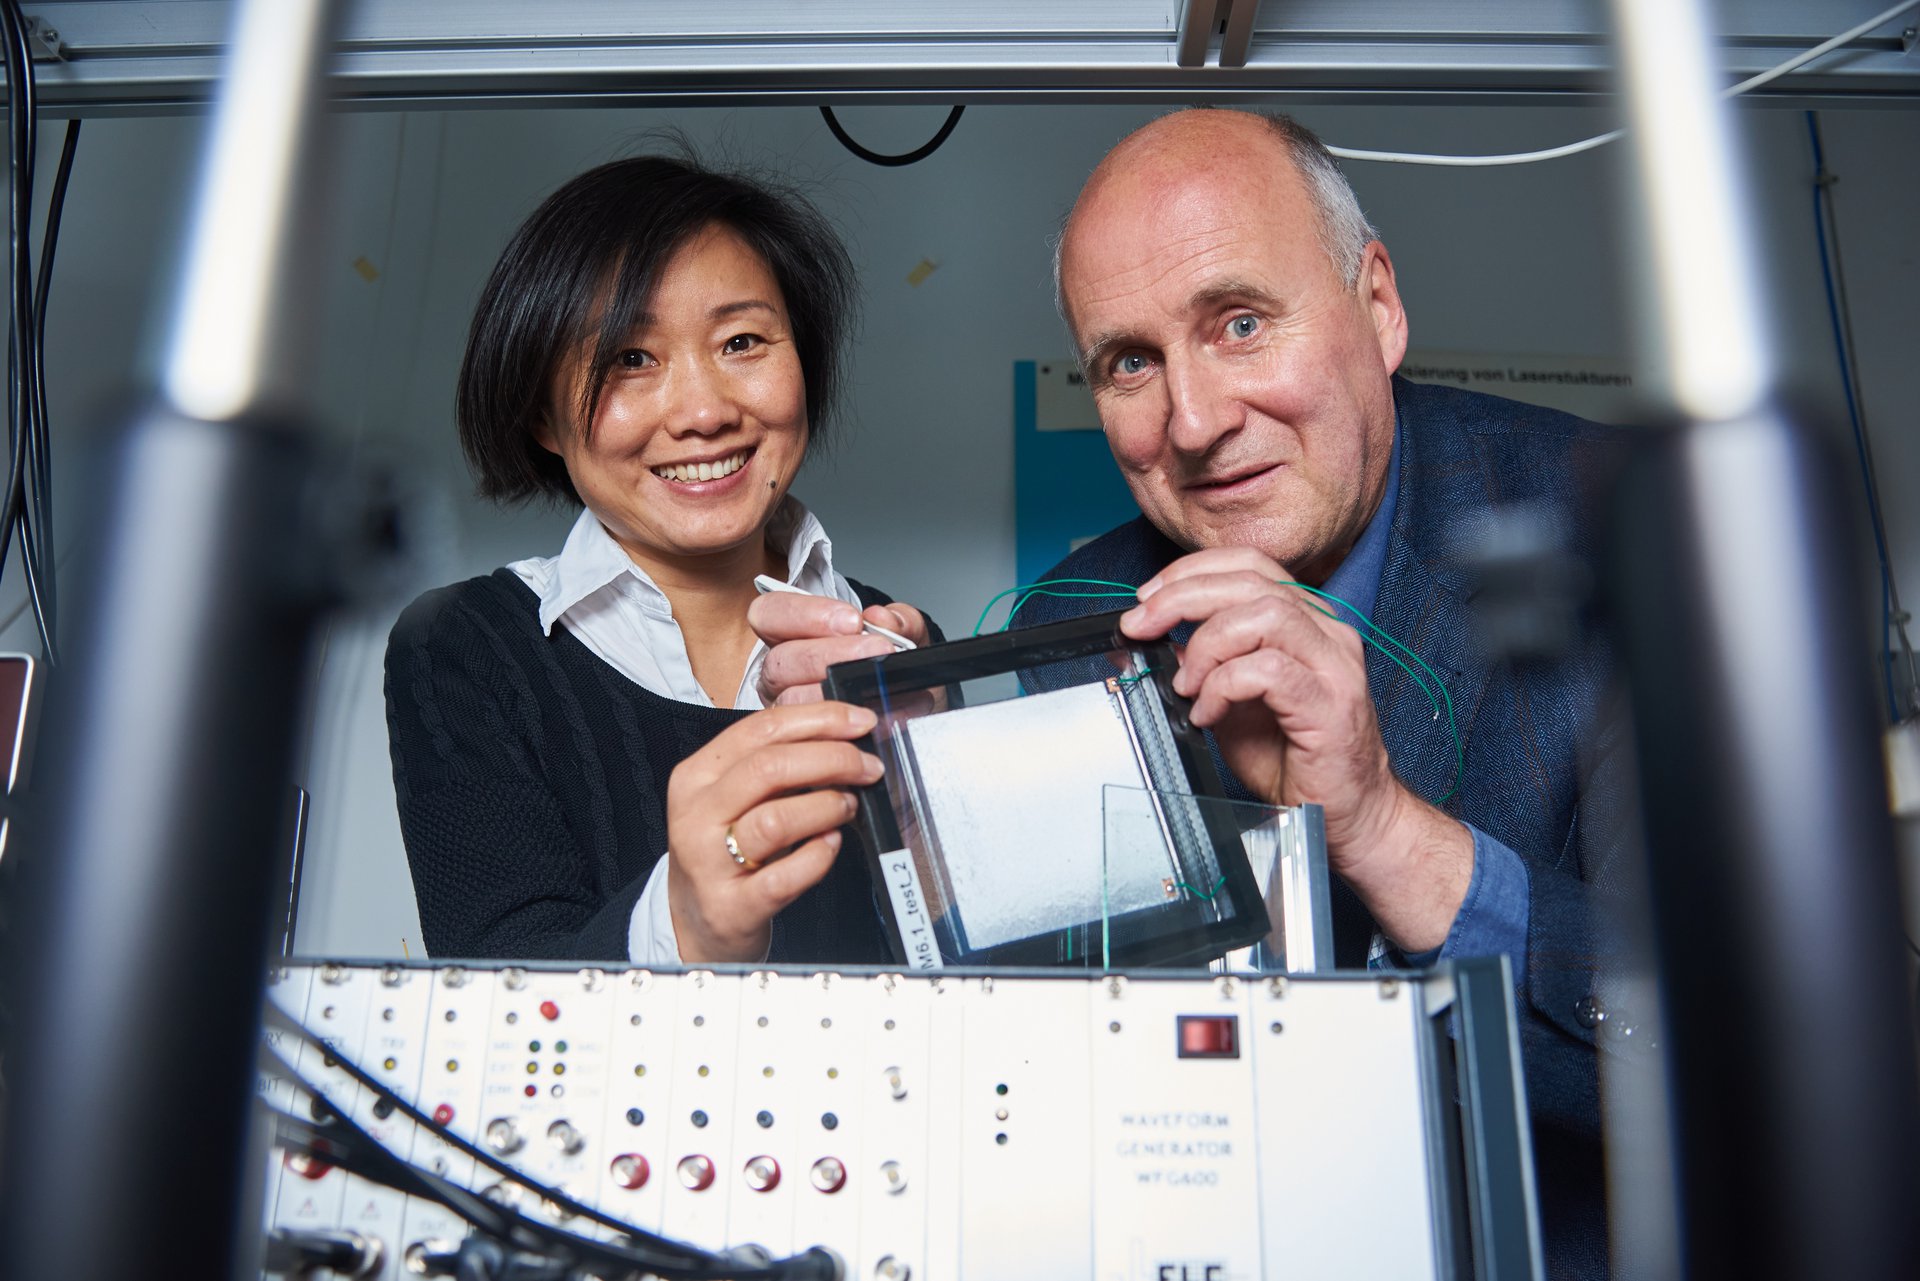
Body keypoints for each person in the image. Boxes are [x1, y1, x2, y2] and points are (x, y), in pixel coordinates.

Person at [757, 109, 1631, 1277]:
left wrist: (1382, 831)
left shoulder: (1629, 541)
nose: (1196, 422)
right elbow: (1021, 1084)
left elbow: (1767, 1054)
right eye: (1129, 361)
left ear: (1378, 306)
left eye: (1241, 322)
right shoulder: (1079, 618)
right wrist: (911, 798)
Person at [385, 154, 934, 968]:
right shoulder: (466, 646)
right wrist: (688, 922)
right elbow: (496, 1004)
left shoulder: (896, 648)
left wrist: (941, 798)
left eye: (743, 341)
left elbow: (979, 973)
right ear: (541, 411)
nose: (706, 412)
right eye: (630, 359)